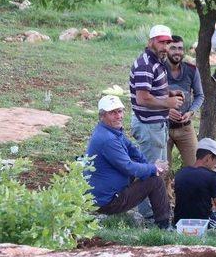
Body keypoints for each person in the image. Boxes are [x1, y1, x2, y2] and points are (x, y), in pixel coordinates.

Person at [86, 95, 171, 228]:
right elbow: (128, 167)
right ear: (102, 116)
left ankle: (161, 221)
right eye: (112, 113)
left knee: (151, 174)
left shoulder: (111, 131)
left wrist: (149, 166)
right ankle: (164, 226)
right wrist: (154, 169)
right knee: (156, 181)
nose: (118, 116)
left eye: (120, 111)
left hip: (109, 195)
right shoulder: (108, 139)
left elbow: (132, 150)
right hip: (108, 201)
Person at [129, 24, 184, 217]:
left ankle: (153, 211)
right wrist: (167, 102)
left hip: (156, 124)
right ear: (151, 41)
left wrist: (168, 93)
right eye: (161, 42)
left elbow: (151, 90)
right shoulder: (146, 64)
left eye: (168, 42)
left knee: (157, 171)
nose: (165, 46)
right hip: (148, 126)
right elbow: (142, 98)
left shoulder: (156, 62)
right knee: (149, 172)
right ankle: (145, 214)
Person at [165, 35, 204, 168]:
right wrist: (165, 111)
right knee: (163, 170)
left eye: (180, 48)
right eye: (173, 48)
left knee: (195, 167)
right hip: (162, 126)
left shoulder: (192, 70)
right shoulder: (158, 69)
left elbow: (200, 96)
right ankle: (165, 189)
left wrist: (191, 112)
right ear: (166, 50)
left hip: (185, 127)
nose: (177, 52)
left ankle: (186, 188)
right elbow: (150, 97)